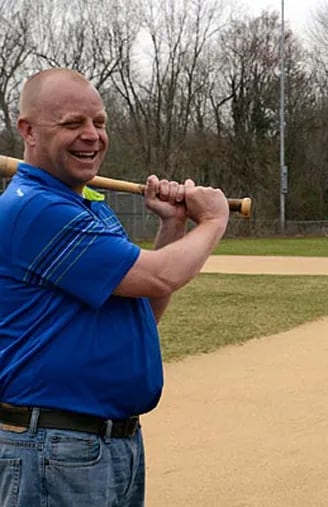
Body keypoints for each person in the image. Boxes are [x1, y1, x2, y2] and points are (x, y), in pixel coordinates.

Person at [0, 68, 229, 506]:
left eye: (99, 123)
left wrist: (173, 224)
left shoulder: (87, 209)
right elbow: (163, 274)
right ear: (27, 131)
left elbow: (144, 308)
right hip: (53, 447)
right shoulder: (35, 210)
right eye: (72, 124)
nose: (92, 136)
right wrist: (214, 220)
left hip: (106, 445)